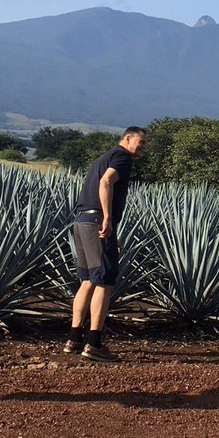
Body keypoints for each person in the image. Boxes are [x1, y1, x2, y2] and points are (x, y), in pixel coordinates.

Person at [64, 127, 148, 362]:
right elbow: (106, 182)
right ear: (127, 139)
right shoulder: (122, 157)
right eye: (140, 142)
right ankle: (94, 343)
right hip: (97, 220)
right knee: (105, 282)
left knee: (88, 280)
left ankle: (74, 339)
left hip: (82, 221)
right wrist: (107, 218)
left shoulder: (103, 157)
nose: (143, 147)